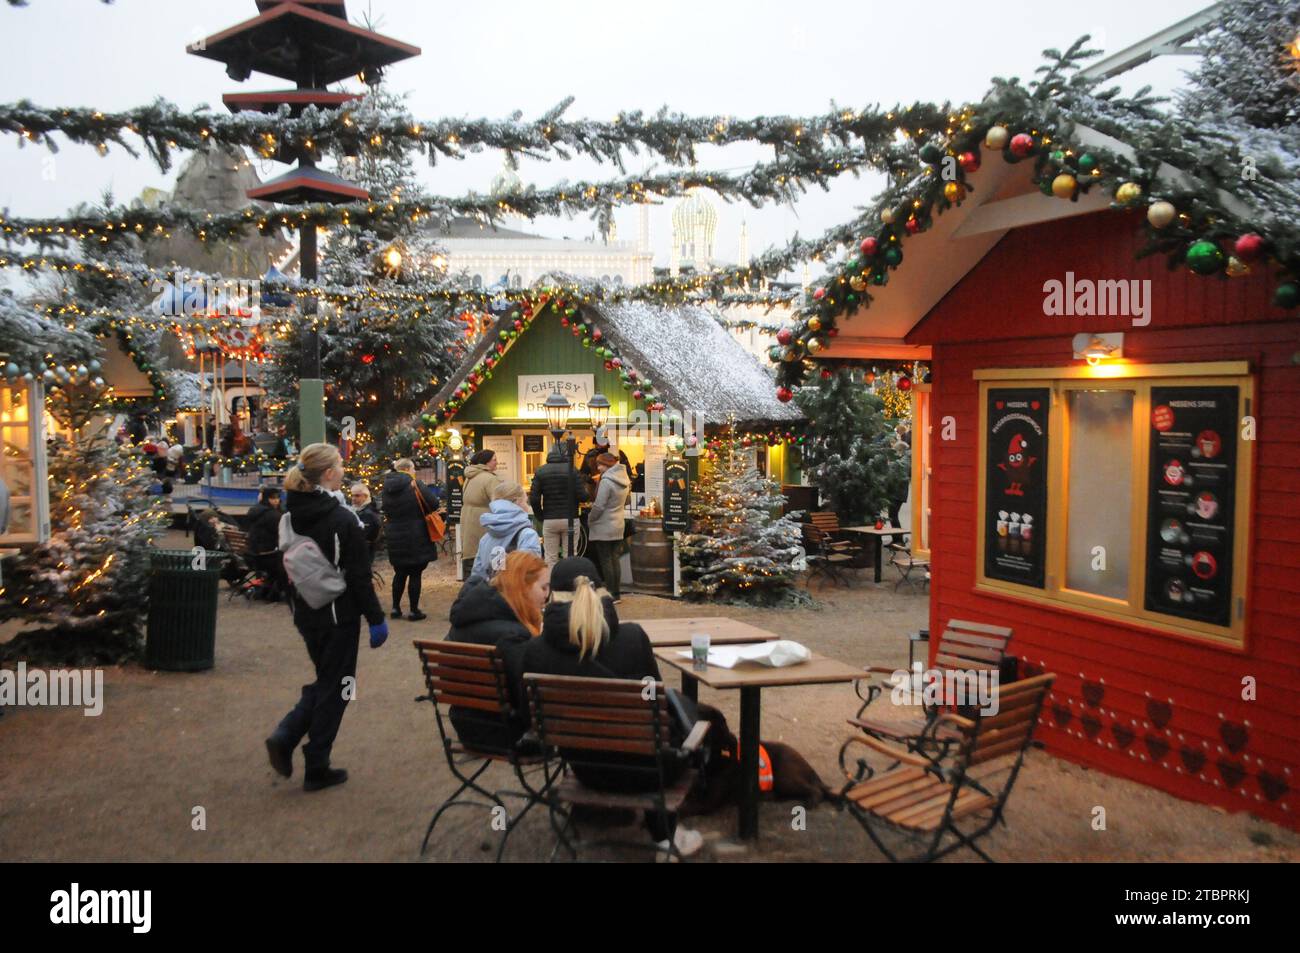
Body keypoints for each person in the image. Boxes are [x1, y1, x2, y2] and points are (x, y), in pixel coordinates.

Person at [516, 557, 702, 857]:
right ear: (602, 591)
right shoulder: (632, 638)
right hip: (649, 774)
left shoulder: (535, 652)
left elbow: (530, 718)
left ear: (554, 597)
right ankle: (666, 836)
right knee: (675, 734)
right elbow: (657, 708)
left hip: (587, 769)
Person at [265, 444, 387, 792]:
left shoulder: (290, 515)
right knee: (337, 688)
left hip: (307, 612)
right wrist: (376, 618)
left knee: (327, 680)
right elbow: (359, 577)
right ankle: (312, 759)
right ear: (329, 474)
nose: (344, 468)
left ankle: (289, 737)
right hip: (338, 614)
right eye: (340, 464)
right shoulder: (342, 518)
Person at [445, 550, 550, 750]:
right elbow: (528, 696)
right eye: (543, 587)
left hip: (466, 721)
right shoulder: (513, 635)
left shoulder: (467, 616)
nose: (547, 594)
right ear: (523, 587)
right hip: (505, 730)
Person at [381, 458, 440, 621]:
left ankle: (395, 608)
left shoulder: (386, 487)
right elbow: (433, 503)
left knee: (399, 572)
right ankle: (414, 611)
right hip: (416, 533)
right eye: (413, 469)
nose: (415, 472)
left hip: (394, 533)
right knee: (415, 573)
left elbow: (385, 508)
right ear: (407, 469)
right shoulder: (415, 484)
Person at [469, 482, 542, 583]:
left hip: (491, 595)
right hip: (518, 596)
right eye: (526, 502)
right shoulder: (528, 535)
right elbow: (531, 574)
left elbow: (477, 576)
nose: (527, 506)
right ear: (517, 502)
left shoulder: (486, 538)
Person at [528, 444, 589, 566]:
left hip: (550, 519)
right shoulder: (573, 470)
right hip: (571, 519)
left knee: (550, 558)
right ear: (566, 454)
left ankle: (552, 584)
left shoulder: (540, 471)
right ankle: (569, 584)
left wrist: (541, 516)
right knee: (571, 556)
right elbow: (583, 496)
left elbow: (534, 499)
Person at [586, 452, 631, 601]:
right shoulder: (624, 479)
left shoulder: (606, 481)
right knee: (614, 558)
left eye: (600, 464)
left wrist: (590, 519)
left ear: (608, 465)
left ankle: (611, 593)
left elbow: (599, 506)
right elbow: (627, 501)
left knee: (606, 559)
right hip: (618, 523)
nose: (598, 468)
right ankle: (616, 593)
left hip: (604, 525)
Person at [460, 449, 501, 578]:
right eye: (494, 460)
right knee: (491, 565)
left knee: (471, 560)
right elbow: (500, 504)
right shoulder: (490, 479)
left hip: (468, 523)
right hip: (484, 527)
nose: (497, 463)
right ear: (486, 462)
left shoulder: (470, 476)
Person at [246, 486, 286, 598]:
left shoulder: (257, 511)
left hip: (253, 555)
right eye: (273, 498)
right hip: (267, 556)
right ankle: (278, 591)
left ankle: (271, 588)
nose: (276, 500)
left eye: (277, 498)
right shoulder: (272, 515)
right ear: (267, 499)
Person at [349, 482, 382, 566]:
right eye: (352, 495)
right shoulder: (355, 510)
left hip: (362, 554)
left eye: (357, 496)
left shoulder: (369, 514)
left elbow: (365, 536)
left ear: (365, 496)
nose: (353, 498)